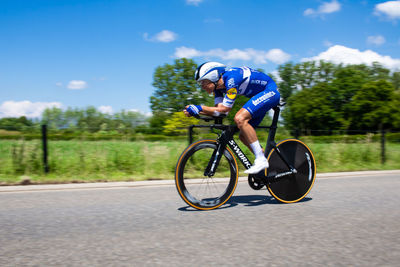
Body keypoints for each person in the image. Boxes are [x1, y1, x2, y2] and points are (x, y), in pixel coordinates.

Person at [183, 62, 280, 174]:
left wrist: (200, 108)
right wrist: (197, 112)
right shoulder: (218, 89)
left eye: (203, 82)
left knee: (239, 119)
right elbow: (219, 113)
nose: (202, 86)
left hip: (270, 92)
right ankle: (269, 161)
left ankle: (261, 160)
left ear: (213, 77)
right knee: (244, 136)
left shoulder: (231, 79)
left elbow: (225, 109)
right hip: (259, 97)